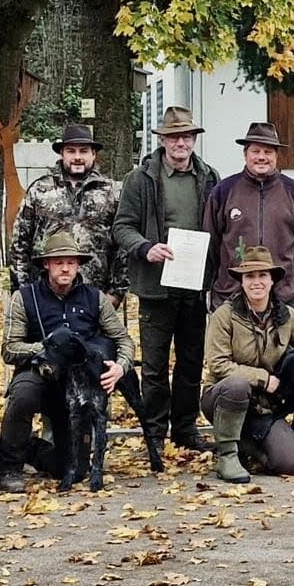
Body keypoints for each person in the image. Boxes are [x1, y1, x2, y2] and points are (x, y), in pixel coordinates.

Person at [113, 106, 221, 453]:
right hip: (155, 286)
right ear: (163, 140)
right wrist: (145, 248)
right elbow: (121, 228)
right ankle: (155, 433)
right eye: (174, 137)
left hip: (195, 283)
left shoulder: (209, 177)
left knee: (191, 362)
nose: (180, 143)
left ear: (193, 140)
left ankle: (185, 429)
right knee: (156, 366)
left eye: (186, 137)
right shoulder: (140, 179)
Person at [0, 233, 136, 491]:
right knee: (23, 393)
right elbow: (9, 348)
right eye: (58, 262)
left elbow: (124, 340)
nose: (65, 268)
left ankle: (31, 449)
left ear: (78, 266)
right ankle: (9, 466)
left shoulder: (95, 298)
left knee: (74, 471)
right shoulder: (25, 297)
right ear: (46, 265)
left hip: (79, 385)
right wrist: (50, 347)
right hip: (40, 372)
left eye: (71, 262)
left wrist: (121, 367)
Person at [200, 247, 294, 482]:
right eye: (250, 276)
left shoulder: (285, 315)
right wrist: (263, 379)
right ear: (241, 281)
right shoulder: (224, 316)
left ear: (272, 281)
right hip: (223, 397)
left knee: (289, 463)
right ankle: (228, 454)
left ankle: (247, 445)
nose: (256, 282)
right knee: (237, 385)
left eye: (262, 276)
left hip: (264, 406)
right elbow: (218, 364)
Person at [202, 121, 294, 310]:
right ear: (245, 154)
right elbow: (211, 242)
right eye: (256, 151)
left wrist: (286, 276)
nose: (262, 157)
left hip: (281, 296)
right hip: (232, 295)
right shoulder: (224, 191)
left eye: (268, 152)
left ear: (277, 156)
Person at [9, 123, 126, 303]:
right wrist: (22, 291)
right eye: (71, 151)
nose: (77, 157)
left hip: (95, 295)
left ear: (93, 154)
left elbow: (122, 245)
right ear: (62, 153)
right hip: (44, 295)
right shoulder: (40, 190)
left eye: (84, 151)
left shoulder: (111, 192)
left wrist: (117, 292)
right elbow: (20, 243)